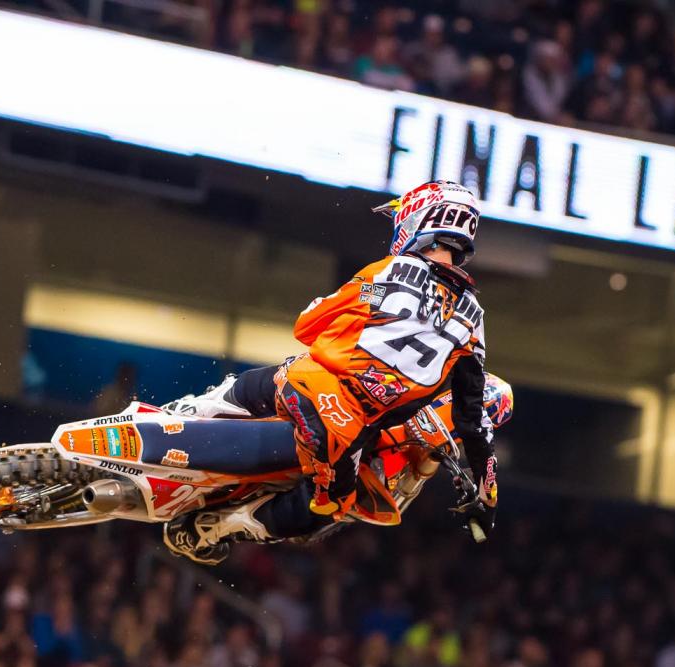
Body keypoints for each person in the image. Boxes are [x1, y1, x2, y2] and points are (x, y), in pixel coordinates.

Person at [162, 180, 497, 565]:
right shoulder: (473, 322)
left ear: (418, 218)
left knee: (260, 382)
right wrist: (487, 500)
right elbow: (474, 424)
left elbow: (306, 325)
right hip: (342, 432)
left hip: (303, 386)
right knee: (327, 508)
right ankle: (214, 530)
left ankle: (180, 413)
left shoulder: (388, 273)